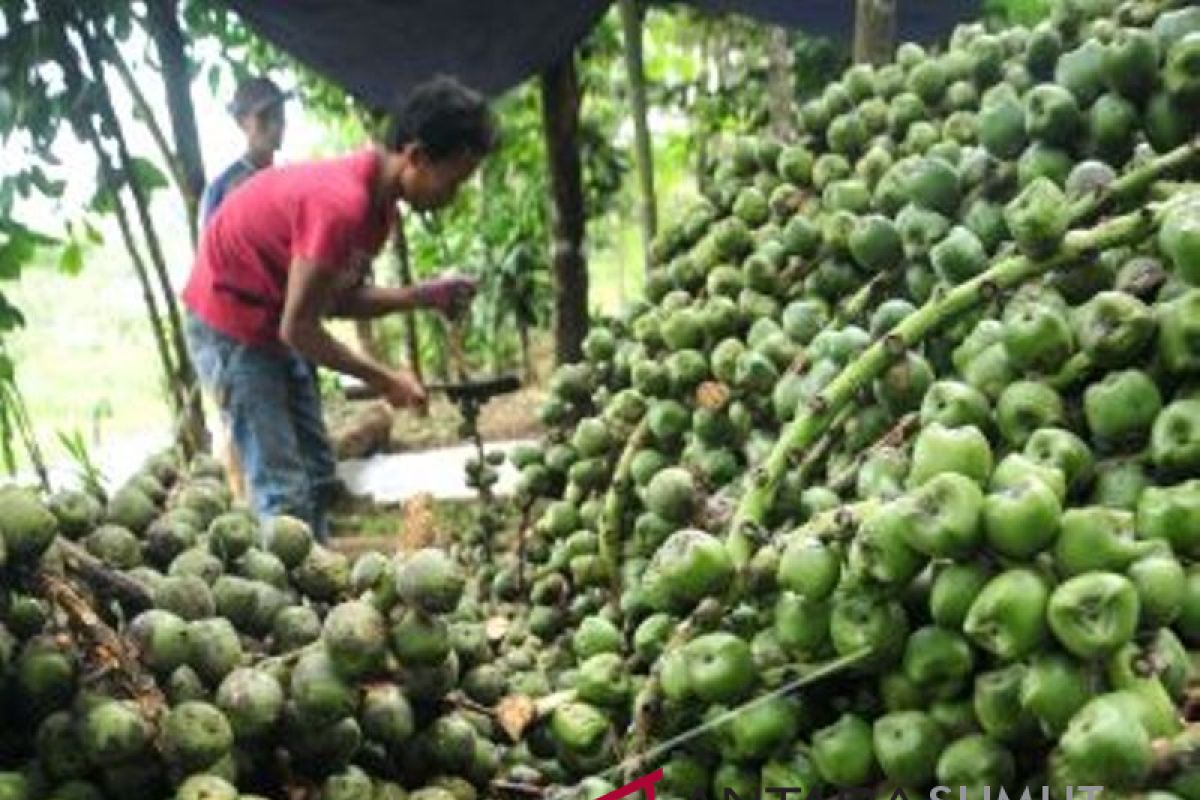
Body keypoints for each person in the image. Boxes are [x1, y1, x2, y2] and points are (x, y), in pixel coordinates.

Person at [182, 75, 496, 541]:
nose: (453, 196)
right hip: (229, 323)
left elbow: (335, 301)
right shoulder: (341, 204)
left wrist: (423, 295)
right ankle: (290, 605)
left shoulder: (378, 211)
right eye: (453, 182)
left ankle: (320, 582)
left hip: (271, 318)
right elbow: (301, 328)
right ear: (415, 157)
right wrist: (384, 379)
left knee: (317, 470)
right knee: (283, 489)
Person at [199, 76, 291, 230]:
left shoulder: (286, 180)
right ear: (242, 122)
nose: (275, 125)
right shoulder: (223, 188)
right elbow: (210, 249)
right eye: (264, 117)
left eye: (278, 115)